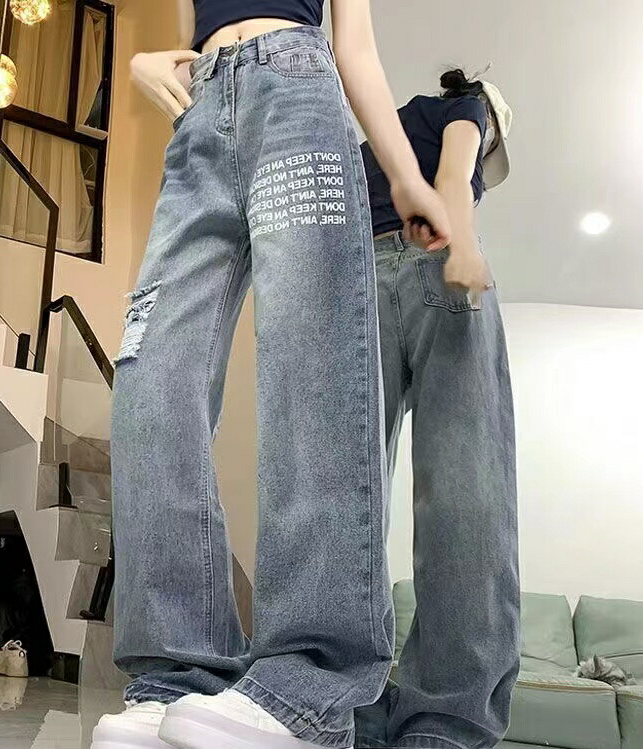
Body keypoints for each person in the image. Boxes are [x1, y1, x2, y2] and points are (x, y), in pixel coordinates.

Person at [93, 3, 453, 749]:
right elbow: (195, 29)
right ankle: (176, 674)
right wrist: (140, 62)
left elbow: (355, 46)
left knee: (311, 368)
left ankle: (309, 685)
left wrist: (405, 177)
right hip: (197, 125)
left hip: (297, 94)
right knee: (151, 377)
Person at [354, 69, 521, 749]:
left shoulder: (385, 133)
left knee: (346, 498)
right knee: (463, 487)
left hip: (357, 280)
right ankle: (445, 723)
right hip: (434, 264)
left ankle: (344, 708)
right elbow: (453, 175)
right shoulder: (469, 108)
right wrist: (466, 247)